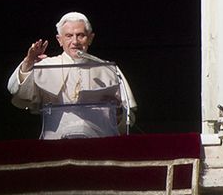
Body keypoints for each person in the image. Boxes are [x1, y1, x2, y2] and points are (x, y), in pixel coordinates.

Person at [7, 12, 137, 139]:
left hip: (99, 142)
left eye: (80, 35)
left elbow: (128, 117)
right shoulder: (46, 66)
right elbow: (18, 93)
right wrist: (28, 62)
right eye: (69, 36)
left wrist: (117, 112)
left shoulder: (108, 69)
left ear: (90, 38)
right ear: (59, 39)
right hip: (55, 143)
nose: (75, 41)